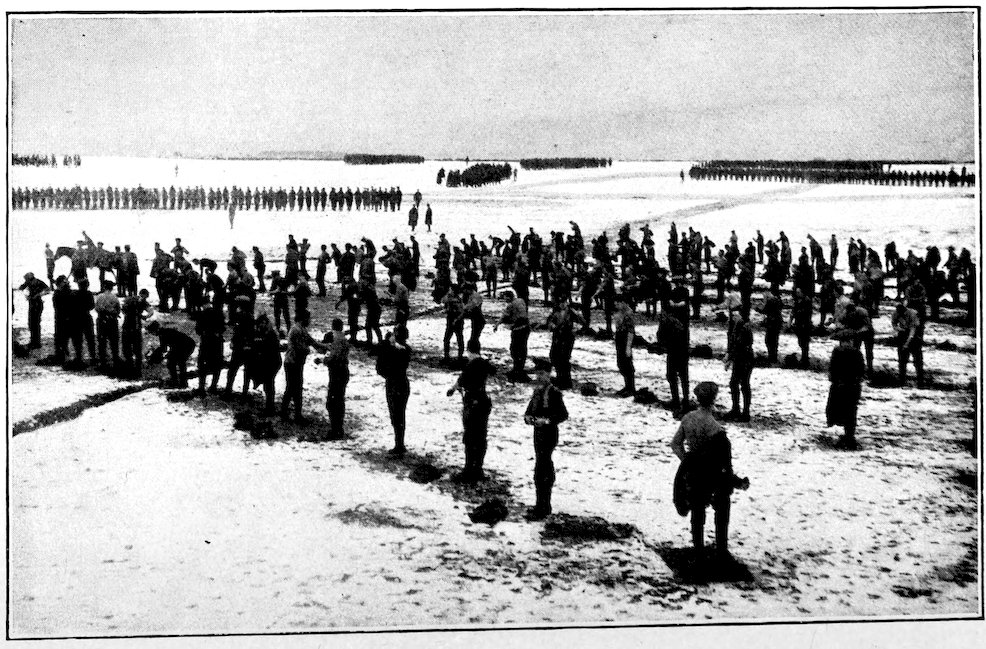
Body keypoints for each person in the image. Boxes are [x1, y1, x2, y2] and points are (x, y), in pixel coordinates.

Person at [670, 382, 748, 562]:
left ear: (697, 398)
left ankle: (698, 549)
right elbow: (725, 464)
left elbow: (675, 444)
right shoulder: (716, 428)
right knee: (722, 506)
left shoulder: (688, 418)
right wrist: (736, 481)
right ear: (714, 400)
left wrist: (688, 461)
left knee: (697, 509)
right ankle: (721, 549)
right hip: (714, 475)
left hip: (695, 474)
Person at [447, 338, 497, 482]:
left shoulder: (470, 365)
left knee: (470, 437)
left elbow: (461, 381)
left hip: (472, 402)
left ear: (468, 350)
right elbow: (493, 371)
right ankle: (478, 469)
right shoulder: (484, 363)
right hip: (483, 401)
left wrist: (452, 389)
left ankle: (469, 469)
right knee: (481, 437)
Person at [523, 367, 569, 520]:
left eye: (542, 374)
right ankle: (540, 504)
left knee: (544, 467)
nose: (539, 376)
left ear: (549, 374)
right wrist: (528, 418)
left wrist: (547, 421)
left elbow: (563, 415)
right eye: (538, 373)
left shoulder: (554, 393)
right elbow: (529, 411)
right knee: (540, 468)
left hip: (549, 433)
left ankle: (544, 507)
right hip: (538, 433)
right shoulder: (537, 392)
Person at [280, 311, 328, 423]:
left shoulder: (300, 329)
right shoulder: (297, 330)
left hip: (294, 362)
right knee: (293, 389)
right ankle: (290, 414)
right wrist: (317, 349)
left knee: (294, 389)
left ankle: (290, 413)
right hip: (292, 363)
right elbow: (302, 347)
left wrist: (325, 346)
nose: (309, 321)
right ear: (304, 319)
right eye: (308, 319)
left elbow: (313, 342)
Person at [826, 329, 866, 449]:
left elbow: (832, 369)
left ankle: (846, 435)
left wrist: (834, 380)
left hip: (840, 386)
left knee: (837, 409)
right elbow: (861, 371)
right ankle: (849, 436)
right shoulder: (857, 353)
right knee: (851, 411)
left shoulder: (837, 352)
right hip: (852, 386)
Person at [377, 325, 412, 455]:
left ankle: (399, 444)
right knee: (399, 414)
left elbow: (381, 365)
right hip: (402, 382)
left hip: (393, 383)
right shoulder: (405, 349)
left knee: (395, 415)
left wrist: (388, 343)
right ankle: (399, 443)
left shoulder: (396, 350)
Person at [146, 317, 197, 388]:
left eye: (152, 332)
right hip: (184, 346)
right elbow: (164, 349)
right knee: (174, 362)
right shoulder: (164, 333)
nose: (152, 334)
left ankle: (179, 383)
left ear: (155, 330)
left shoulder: (164, 334)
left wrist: (154, 358)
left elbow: (163, 349)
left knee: (177, 362)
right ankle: (179, 382)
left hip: (186, 346)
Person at [545, 296, 583, 390]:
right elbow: (549, 321)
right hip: (557, 337)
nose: (562, 304)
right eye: (560, 302)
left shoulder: (571, 312)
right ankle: (560, 378)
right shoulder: (555, 311)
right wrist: (552, 325)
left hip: (567, 337)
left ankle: (565, 381)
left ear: (567, 302)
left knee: (564, 359)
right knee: (554, 357)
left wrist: (576, 329)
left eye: (564, 302)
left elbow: (582, 322)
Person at [247, 314, 282, 415]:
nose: (259, 326)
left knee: (269, 384)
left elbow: (268, 348)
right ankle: (269, 406)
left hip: (272, 362)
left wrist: (258, 346)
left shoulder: (271, 334)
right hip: (269, 361)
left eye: (261, 324)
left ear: (265, 323)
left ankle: (270, 407)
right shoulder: (264, 332)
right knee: (268, 384)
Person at [723, 310, 754, 421]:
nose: (733, 317)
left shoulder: (743, 327)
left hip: (745, 359)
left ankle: (744, 412)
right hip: (741, 358)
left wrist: (729, 357)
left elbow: (738, 344)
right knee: (736, 383)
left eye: (735, 315)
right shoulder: (738, 326)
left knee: (743, 384)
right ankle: (737, 409)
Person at [494, 292, 531, 381]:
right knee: (522, 349)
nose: (505, 300)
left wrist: (497, 324)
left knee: (515, 350)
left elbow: (504, 316)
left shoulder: (511, 305)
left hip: (518, 328)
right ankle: (519, 368)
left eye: (505, 298)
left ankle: (517, 370)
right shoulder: (521, 300)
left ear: (509, 297)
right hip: (526, 328)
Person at [323, 318, 350, 438]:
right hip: (343, 371)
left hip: (336, 372)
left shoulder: (336, 339)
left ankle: (336, 429)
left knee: (332, 402)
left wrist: (323, 360)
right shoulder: (343, 338)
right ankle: (338, 427)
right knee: (339, 399)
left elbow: (333, 358)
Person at [223, 307, 255, 399]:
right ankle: (244, 392)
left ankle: (228, 390)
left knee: (232, 370)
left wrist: (234, 342)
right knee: (246, 372)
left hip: (239, 348)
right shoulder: (251, 318)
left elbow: (238, 333)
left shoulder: (242, 318)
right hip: (247, 348)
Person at [891, 301, 924, 387]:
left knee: (917, 360)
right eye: (897, 308)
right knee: (902, 360)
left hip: (914, 336)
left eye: (900, 307)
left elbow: (913, 331)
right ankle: (901, 381)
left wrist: (907, 344)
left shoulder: (913, 313)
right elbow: (894, 324)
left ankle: (920, 381)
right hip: (903, 334)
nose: (898, 310)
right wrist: (899, 329)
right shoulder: (895, 313)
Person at [120, 289, 150, 378]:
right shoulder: (143, 302)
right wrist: (144, 317)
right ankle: (137, 371)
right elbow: (151, 311)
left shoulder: (129, 299)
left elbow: (123, 310)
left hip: (126, 326)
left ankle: (129, 368)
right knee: (137, 350)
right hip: (136, 327)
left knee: (127, 349)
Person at [94, 280, 121, 369]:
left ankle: (103, 361)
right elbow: (118, 309)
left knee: (102, 341)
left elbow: (96, 308)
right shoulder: (114, 297)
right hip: (112, 320)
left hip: (101, 320)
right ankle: (115, 359)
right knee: (114, 341)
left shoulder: (99, 297)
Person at [19, 272, 50, 349]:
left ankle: (36, 342)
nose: (26, 282)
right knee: (31, 323)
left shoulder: (38, 282)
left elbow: (48, 289)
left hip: (37, 303)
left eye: (27, 280)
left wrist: (39, 294)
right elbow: (21, 287)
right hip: (32, 303)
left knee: (35, 323)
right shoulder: (29, 282)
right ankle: (34, 341)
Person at [613, 294, 636, 397]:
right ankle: (627, 386)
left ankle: (631, 388)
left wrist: (628, 347)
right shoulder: (619, 313)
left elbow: (631, 331)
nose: (616, 305)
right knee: (621, 364)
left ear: (623, 303)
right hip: (619, 338)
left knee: (627, 365)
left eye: (618, 303)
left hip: (626, 339)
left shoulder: (628, 314)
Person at [441, 284, 465, 362]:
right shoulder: (455, 298)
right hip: (455, 319)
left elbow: (461, 310)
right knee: (458, 338)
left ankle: (449, 356)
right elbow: (443, 300)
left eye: (450, 289)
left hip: (455, 319)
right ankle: (458, 356)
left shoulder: (456, 299)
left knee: (449, 338)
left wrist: (456, 319)